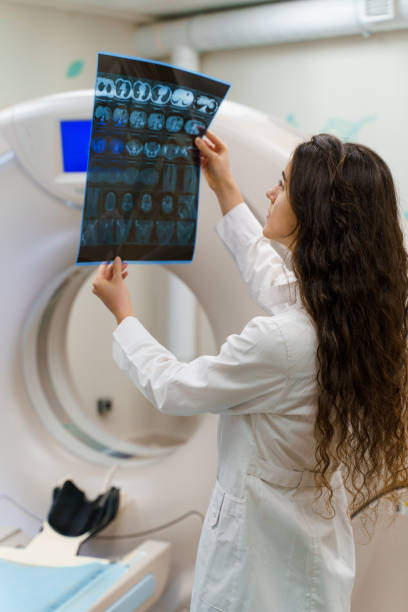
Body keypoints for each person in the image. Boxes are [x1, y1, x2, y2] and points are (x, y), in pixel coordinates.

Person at [92, 130, 408, 612]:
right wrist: (224, 185)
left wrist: (123, 313)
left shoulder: (283, 341)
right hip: (307, 546)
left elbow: (176, 388)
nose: (271, 193)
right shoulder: (353, 314)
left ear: (313, 214)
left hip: (262, 564)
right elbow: (269, 273)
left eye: (281, 186)